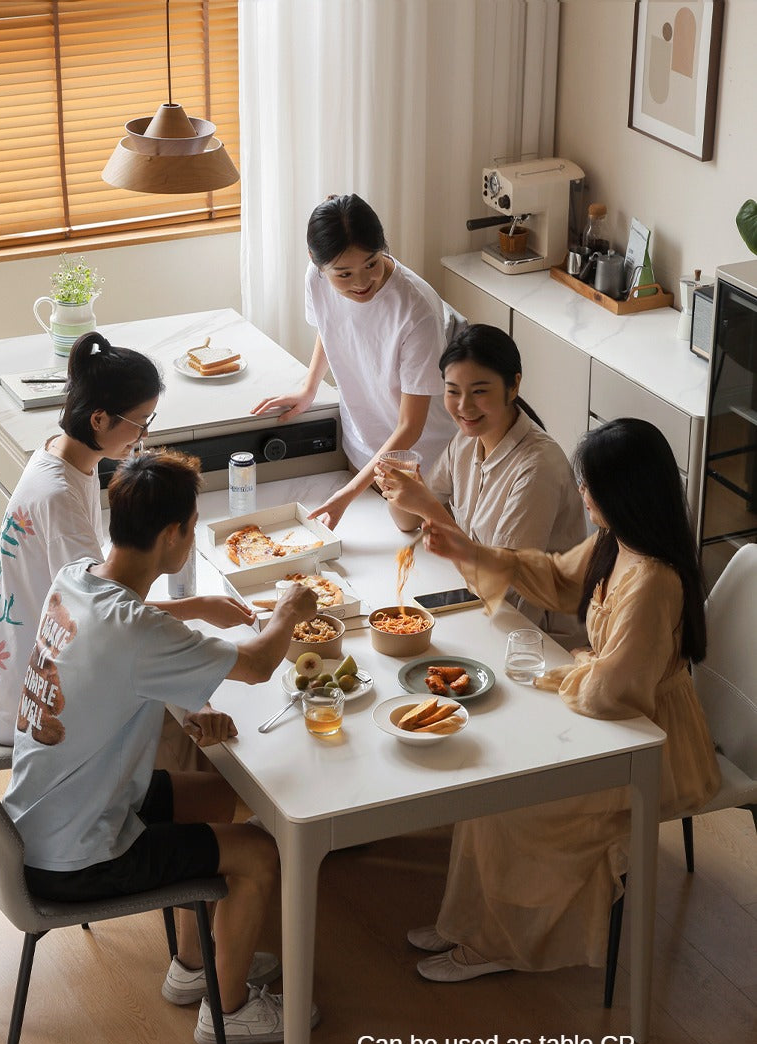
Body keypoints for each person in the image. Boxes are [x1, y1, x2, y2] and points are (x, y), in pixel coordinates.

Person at [2, 448, 321, 1044]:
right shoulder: (136, 633)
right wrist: (287, 608)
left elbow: (130, 623)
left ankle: (194, 968)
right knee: (258, 852)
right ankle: (228, 1014)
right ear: (174, 535)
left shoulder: (76, 579)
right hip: (79, 858)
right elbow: (255, 663)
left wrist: (195, 608)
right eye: (193, 527)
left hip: (43, 817)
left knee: (222, 795)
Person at [410, 418, 720, 982]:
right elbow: (555, 576)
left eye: (589, 485)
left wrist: (567, 668)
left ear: (620, 494)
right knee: (490, 776)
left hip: (649, 743)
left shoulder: (652, 581)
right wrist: (466, 547)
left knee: (512, 801)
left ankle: (500, 941)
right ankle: (472, 919)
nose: (582, 494)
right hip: (619, 717)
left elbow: (610, 693)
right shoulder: (616, 543)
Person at [0, 331, 253, 745]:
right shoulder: (58, 498)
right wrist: (195, 608)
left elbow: (97, 594)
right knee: (184, 716)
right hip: (30, 705)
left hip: (24, 674)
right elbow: (102, 615)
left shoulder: (63, 456)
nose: (142, 436)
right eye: (139, 423)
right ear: (100, 419)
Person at [250, 193, 456, 529]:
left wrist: (347, 493)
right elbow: (330, 328)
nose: (361, 283)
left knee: (411, 558)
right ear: (317, 263)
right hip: (361, 446)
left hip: (421, 461)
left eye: (371, 264)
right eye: (343, 275)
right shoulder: (316, 278)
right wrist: (309, 388)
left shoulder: (416, 311)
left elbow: (410, 427)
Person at [374, 324, 586, 640]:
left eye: (480, 391)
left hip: (533, 638)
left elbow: (507, 591)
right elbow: (407, 523)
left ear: (513, 386)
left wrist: (427, 505)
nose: (464, 407)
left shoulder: (537, 467)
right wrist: (401, 491)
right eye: (453, 391)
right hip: (481, 611)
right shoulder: (466, 441)